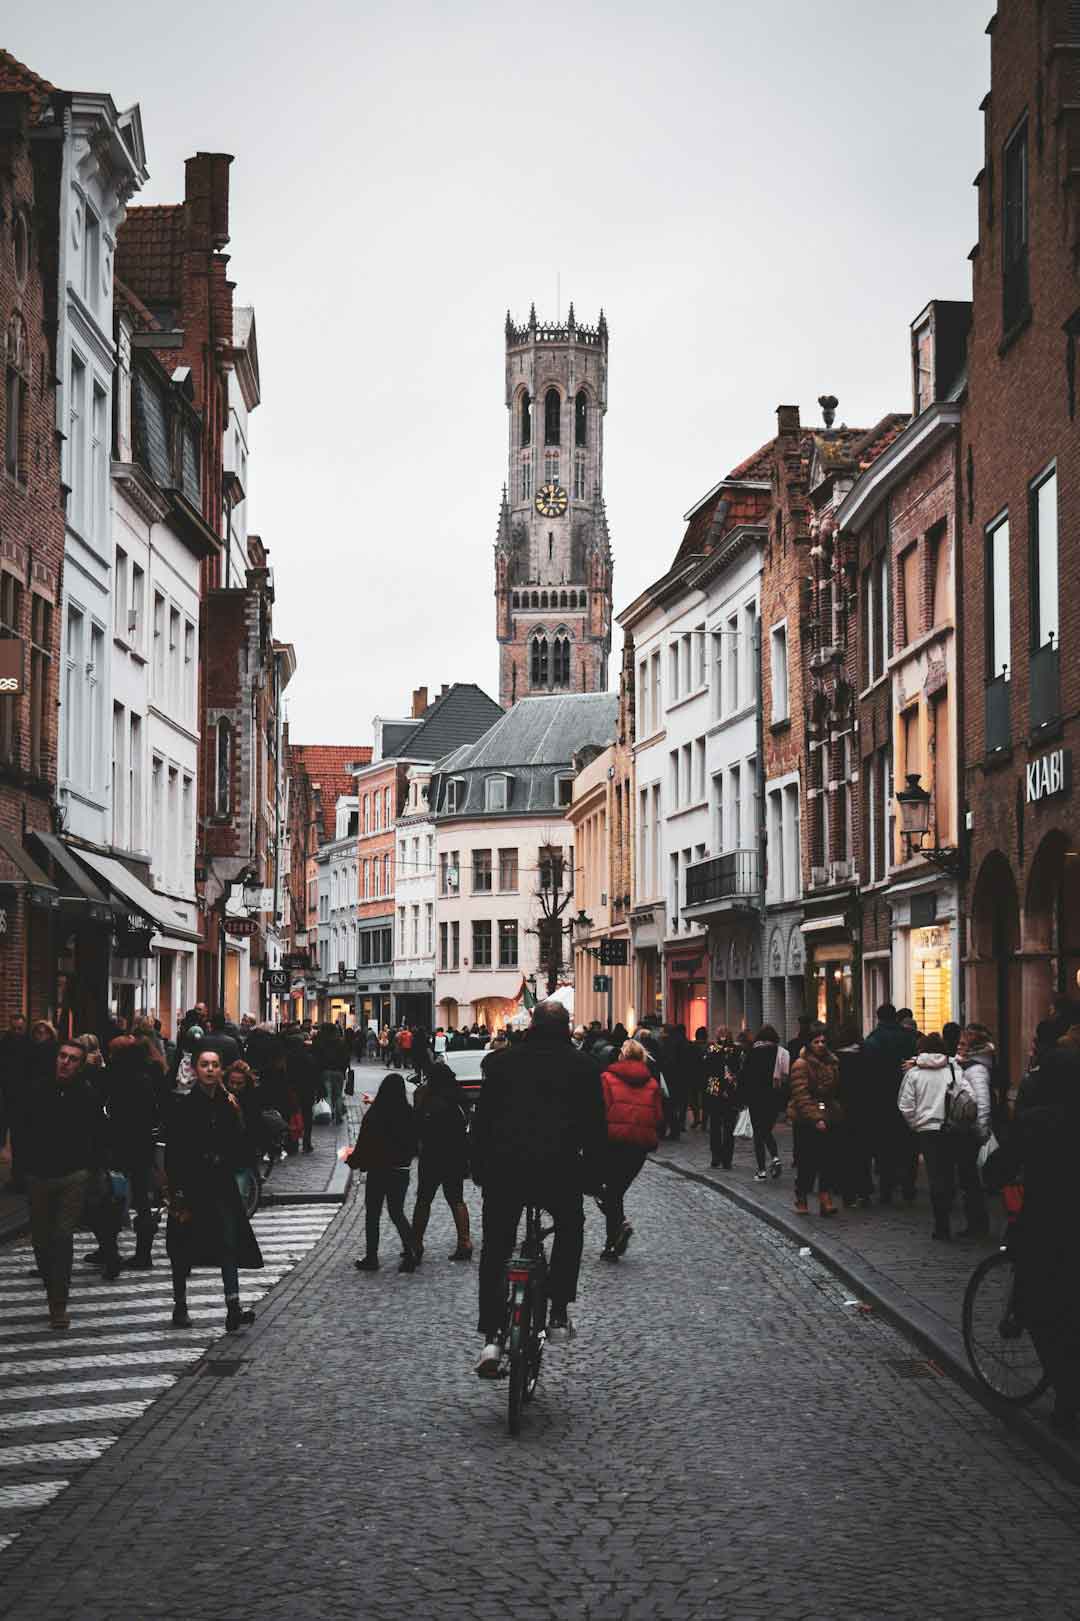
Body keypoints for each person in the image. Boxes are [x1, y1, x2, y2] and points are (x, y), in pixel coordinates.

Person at [470, 1000, 606, 1376]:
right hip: (558, 1172)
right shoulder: (584, 1067)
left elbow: (482, 1124)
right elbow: (596, 1131)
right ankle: (559, 1309)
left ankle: (493, 1336)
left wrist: (478, 1169)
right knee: (569, 1228)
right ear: (566, 1028)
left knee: (496, 1246)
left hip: (505, 1172)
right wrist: (593, 1177)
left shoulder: (499, 1064)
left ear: (531, 1025)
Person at [165, 1046, 264, 1331]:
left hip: (220, 1184)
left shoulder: (228, 1104)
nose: (210, 1069)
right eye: (204, 1064)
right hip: (191, 1184)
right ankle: (180, 1305)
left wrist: (230, 1157)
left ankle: (233, 1307)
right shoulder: (183, 1105)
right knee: (182, 1247)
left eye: (215, 1065)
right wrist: (177, 1190)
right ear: (196, 1070)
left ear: (220, 1070)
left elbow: (240, 1141)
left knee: (228, 1244)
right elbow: (175, 1150)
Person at [1009, 1038, 1080, 1433]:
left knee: (1040, 1310)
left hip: (1047, 1229)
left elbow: (1001, 1165)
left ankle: (1067, 1396)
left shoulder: (1035, 1120)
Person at [23, 1039, 107, 1329]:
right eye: (62, 1056)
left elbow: (98, 1134)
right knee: (41, 1240)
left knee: (62, 1237)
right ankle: (51, 1285)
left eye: (72, 1059)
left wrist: (92, 1169)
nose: (65, 1062)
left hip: (73, 1175)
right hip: (38, 1175)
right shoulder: (37, 1089)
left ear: (80, 1065)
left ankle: (58, 1304)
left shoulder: (87, 1094)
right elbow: (22, 1125)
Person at [897, 1032, 968, 1239]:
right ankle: (947, 1209)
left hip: (928, 1131)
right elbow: (967, 1095)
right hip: (951, 1128)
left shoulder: (914, 1074)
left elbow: (905, 1105)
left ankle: (941, 1225)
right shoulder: (954, 1069)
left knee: (936, 1176)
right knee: (948, 1173)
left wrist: (916, 1123)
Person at [598, 1038, 663, 1259]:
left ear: (621, 1056)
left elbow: (601, 1110)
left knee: (610, 1192)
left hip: (612, 1142)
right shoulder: (652, 1083)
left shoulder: (607, 1078)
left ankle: (616, 1235)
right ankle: (615, 1237)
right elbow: (658, 1116)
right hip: (639, 1147)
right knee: (615, 1192)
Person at [348, 1074, 420, 1273]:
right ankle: (411, 1251)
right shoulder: (408, 1113)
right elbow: (415, 1144)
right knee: (397, 1212)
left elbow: (364, 1144)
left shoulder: (375, 1114)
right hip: (400, 1170)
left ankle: (372, 1257)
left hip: (378, 1170)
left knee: (373, 1213)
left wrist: (353, 1161)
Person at [411, 1062, 472, 1262]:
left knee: (424, 1199)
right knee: (456, 1199)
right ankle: (465, 1242)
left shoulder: (427, 1097)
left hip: (432, 1154)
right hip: (455, 1153)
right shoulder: (458, 1096)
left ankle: (416, 1243)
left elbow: (417, 1123)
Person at [864, 1003, 918, 1203]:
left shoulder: (873, 1040)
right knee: (907, 1145)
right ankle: (908, 1188)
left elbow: (868, 1074)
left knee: (885, 1146)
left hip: (882, 1100)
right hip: (907, 1096)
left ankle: (886, 1190)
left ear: (878, 1017)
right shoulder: (908, 1038)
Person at [788, 1028, 842, 1216]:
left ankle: (825, 1197)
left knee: (828, 1160)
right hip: (806, 1120)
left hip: (828, 1115)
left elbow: (835, 1091)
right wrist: (815, 1118)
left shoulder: (831, 1063)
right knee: (807, 1161)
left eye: (822, 1041)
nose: (820, 1045)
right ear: (809, 1044)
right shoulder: (801, 1065)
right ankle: (802, 1197)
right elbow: (800, 1094)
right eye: (816, 1042)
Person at [834, 1023, 874, 1207]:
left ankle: (847, 1193)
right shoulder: (866, 1056)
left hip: (842, 1111)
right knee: (862, 1153)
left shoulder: (836, 1060)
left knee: (844, 1152)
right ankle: (864, 1191)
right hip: (863, 1110)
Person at [741, 1025, 784, 1182]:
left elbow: (744, 1076)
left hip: (756, 1098)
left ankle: (761, 1170)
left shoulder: (753, 1052)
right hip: (773, 1098)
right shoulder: (780, 1053)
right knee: (766, 1130)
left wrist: (742, 1098)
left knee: (759, 1134)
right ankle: (775, 1158)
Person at [705, 1027, 743, 1170]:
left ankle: (720, 1157)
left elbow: (708, 1068)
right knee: (723, 1125)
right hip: (725, 1090)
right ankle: (722, 1157)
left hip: (720, 1089)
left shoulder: (716, 1049)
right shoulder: (731, 1050)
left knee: (721, 1125)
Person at [0, 1013, 31, 1190]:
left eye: (20, 1028)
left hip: (22, 1099)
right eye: (15, 1028)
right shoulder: (4, 1044)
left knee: (21, 1139)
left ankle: (19, 1176)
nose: (17, 1031)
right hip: (7, 1097)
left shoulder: (28, 1045)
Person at [284, 1028, 319, 1152]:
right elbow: (315, 1075)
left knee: (291, 1117)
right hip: (307, 1092)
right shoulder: (309, 1058)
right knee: (307, 1118)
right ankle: (306, 1142)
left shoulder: (287, 1059)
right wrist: (318, 1090)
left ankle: (292, 1143)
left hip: (291, 1091)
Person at [313, 1022, 348, 1125]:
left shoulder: (320, 1042)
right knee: (338, 1095)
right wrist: (343, 1069)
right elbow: (346, 1058)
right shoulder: (341, 1042)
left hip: (325, 1072)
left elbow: (317, 1058)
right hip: (339, 1072)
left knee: (327, 1094)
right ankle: (338, 1116)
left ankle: (328, 1115)